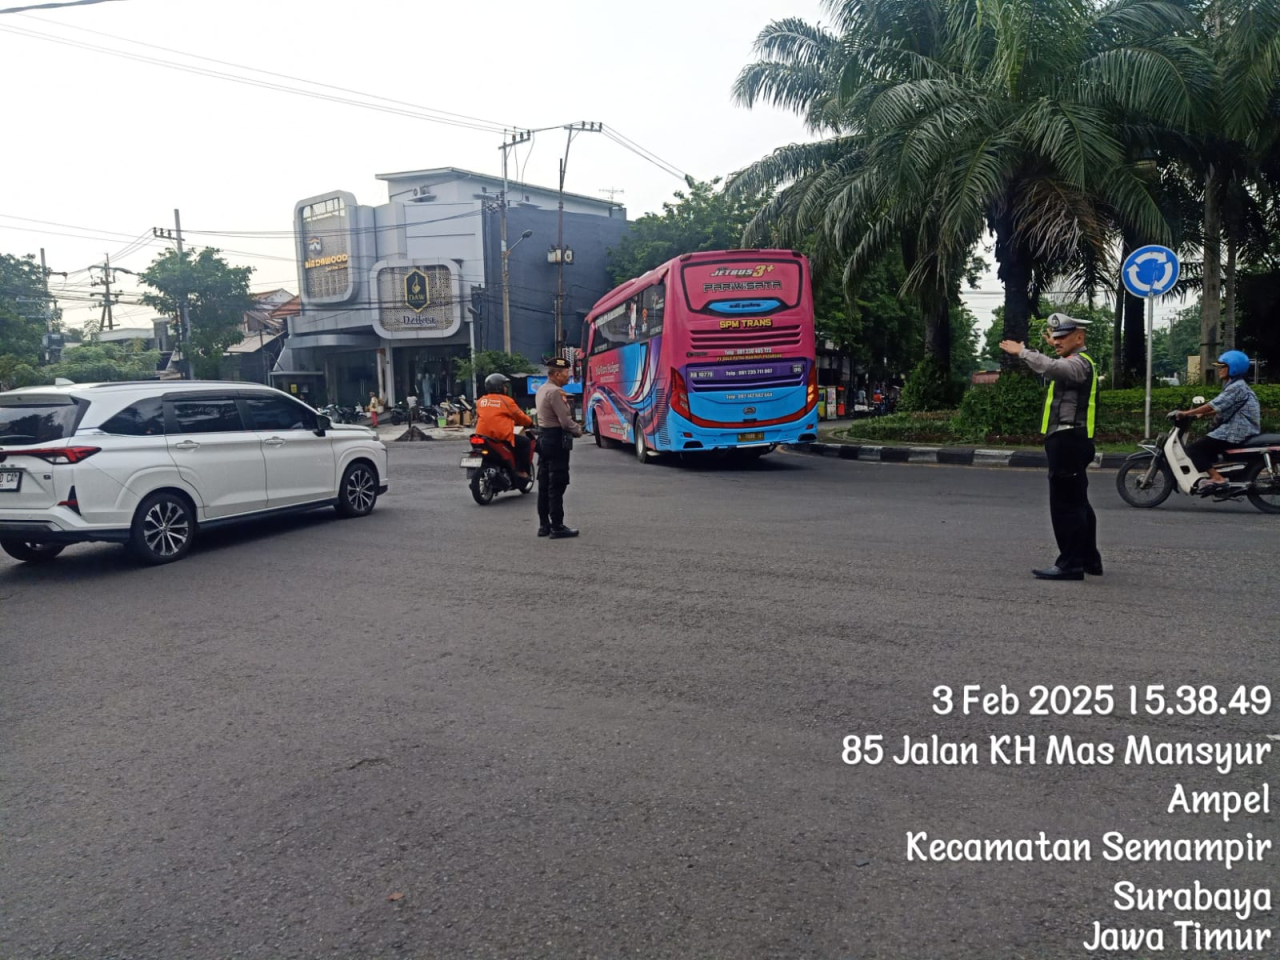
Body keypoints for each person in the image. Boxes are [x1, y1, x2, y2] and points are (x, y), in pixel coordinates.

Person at [1000, 312, 1103, 581]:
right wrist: (1054, 348)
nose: (1056, 341)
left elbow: (1053, 368)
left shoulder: (1079, 364)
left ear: (1079, 338)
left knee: (1065, 506)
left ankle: (1070, 564)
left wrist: (1023, 352)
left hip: (1068, 441)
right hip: (1073, 440)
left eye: (1063, 337)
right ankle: (1089, 560)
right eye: (1055, 337)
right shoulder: (1075, 360)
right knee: (1078, 503)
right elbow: (1056, 363)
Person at [1173, 350, 1260, 494]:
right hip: (1236, 428)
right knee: (1206, 447)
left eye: (1222, 366)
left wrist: (1186, 413)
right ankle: (1218, 473)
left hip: (1236, 430)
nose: (1219, 369)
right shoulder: (1234, 385)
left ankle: (1217, 478)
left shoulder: (1237, 387)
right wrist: (1202, 414)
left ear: (1234, 368)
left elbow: (1213, 405)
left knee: (1194, 449)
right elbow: (1222, 406)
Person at [535, 357, 584, 539]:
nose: (568, 376)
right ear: (556, 374)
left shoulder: (541, 389)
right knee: (557, 483)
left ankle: (544, 525)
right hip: (556, 441)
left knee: (544, 483)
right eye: (565, 373)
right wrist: (577, 430)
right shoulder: (556, 392)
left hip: (543, 438)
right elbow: (565, 421)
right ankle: (557, 526)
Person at [474, 373, 534, 478]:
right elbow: (520, 417)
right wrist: (530, 423)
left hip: (481, 435)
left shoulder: (480, 401)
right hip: (499, 436)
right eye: (504, 386)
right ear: (499, 387)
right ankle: (521, 471)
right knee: (525, 442)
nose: (506, 388)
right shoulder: (507, 401)